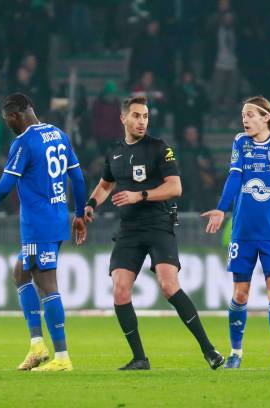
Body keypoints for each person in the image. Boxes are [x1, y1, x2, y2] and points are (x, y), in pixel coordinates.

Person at [84, 96, 224, 371]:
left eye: (146, 116)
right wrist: (90, 205)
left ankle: (209, 350)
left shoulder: (160, 148)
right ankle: (140, 358)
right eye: (136, 116)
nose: (142, 121)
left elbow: (175, 188)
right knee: (120, 291)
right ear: (123, 119)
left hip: (159, 223)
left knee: (168, 285)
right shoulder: (114, 152)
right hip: (129, 229)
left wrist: (141, 195)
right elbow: (104, 185)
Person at [0, 93, 88, 372]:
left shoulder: (24, 142)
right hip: (56, 219)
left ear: (15, 116)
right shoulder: (58, 134)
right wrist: (78, 214)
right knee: (21, 273)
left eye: (6, 120)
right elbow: (77, 176)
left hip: (39, 225)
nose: (7, 126)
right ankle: (37, 346)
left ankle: (62, 358)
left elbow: (4, 187)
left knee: (47, 284)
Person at [201, 96, 270, 369]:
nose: (245, 120)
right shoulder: (241, 142)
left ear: (266, 117)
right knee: (241, 294)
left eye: (250, 115)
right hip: (243, 231)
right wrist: (221, 209)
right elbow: (235, 176)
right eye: (243, 115)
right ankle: (236, 353)